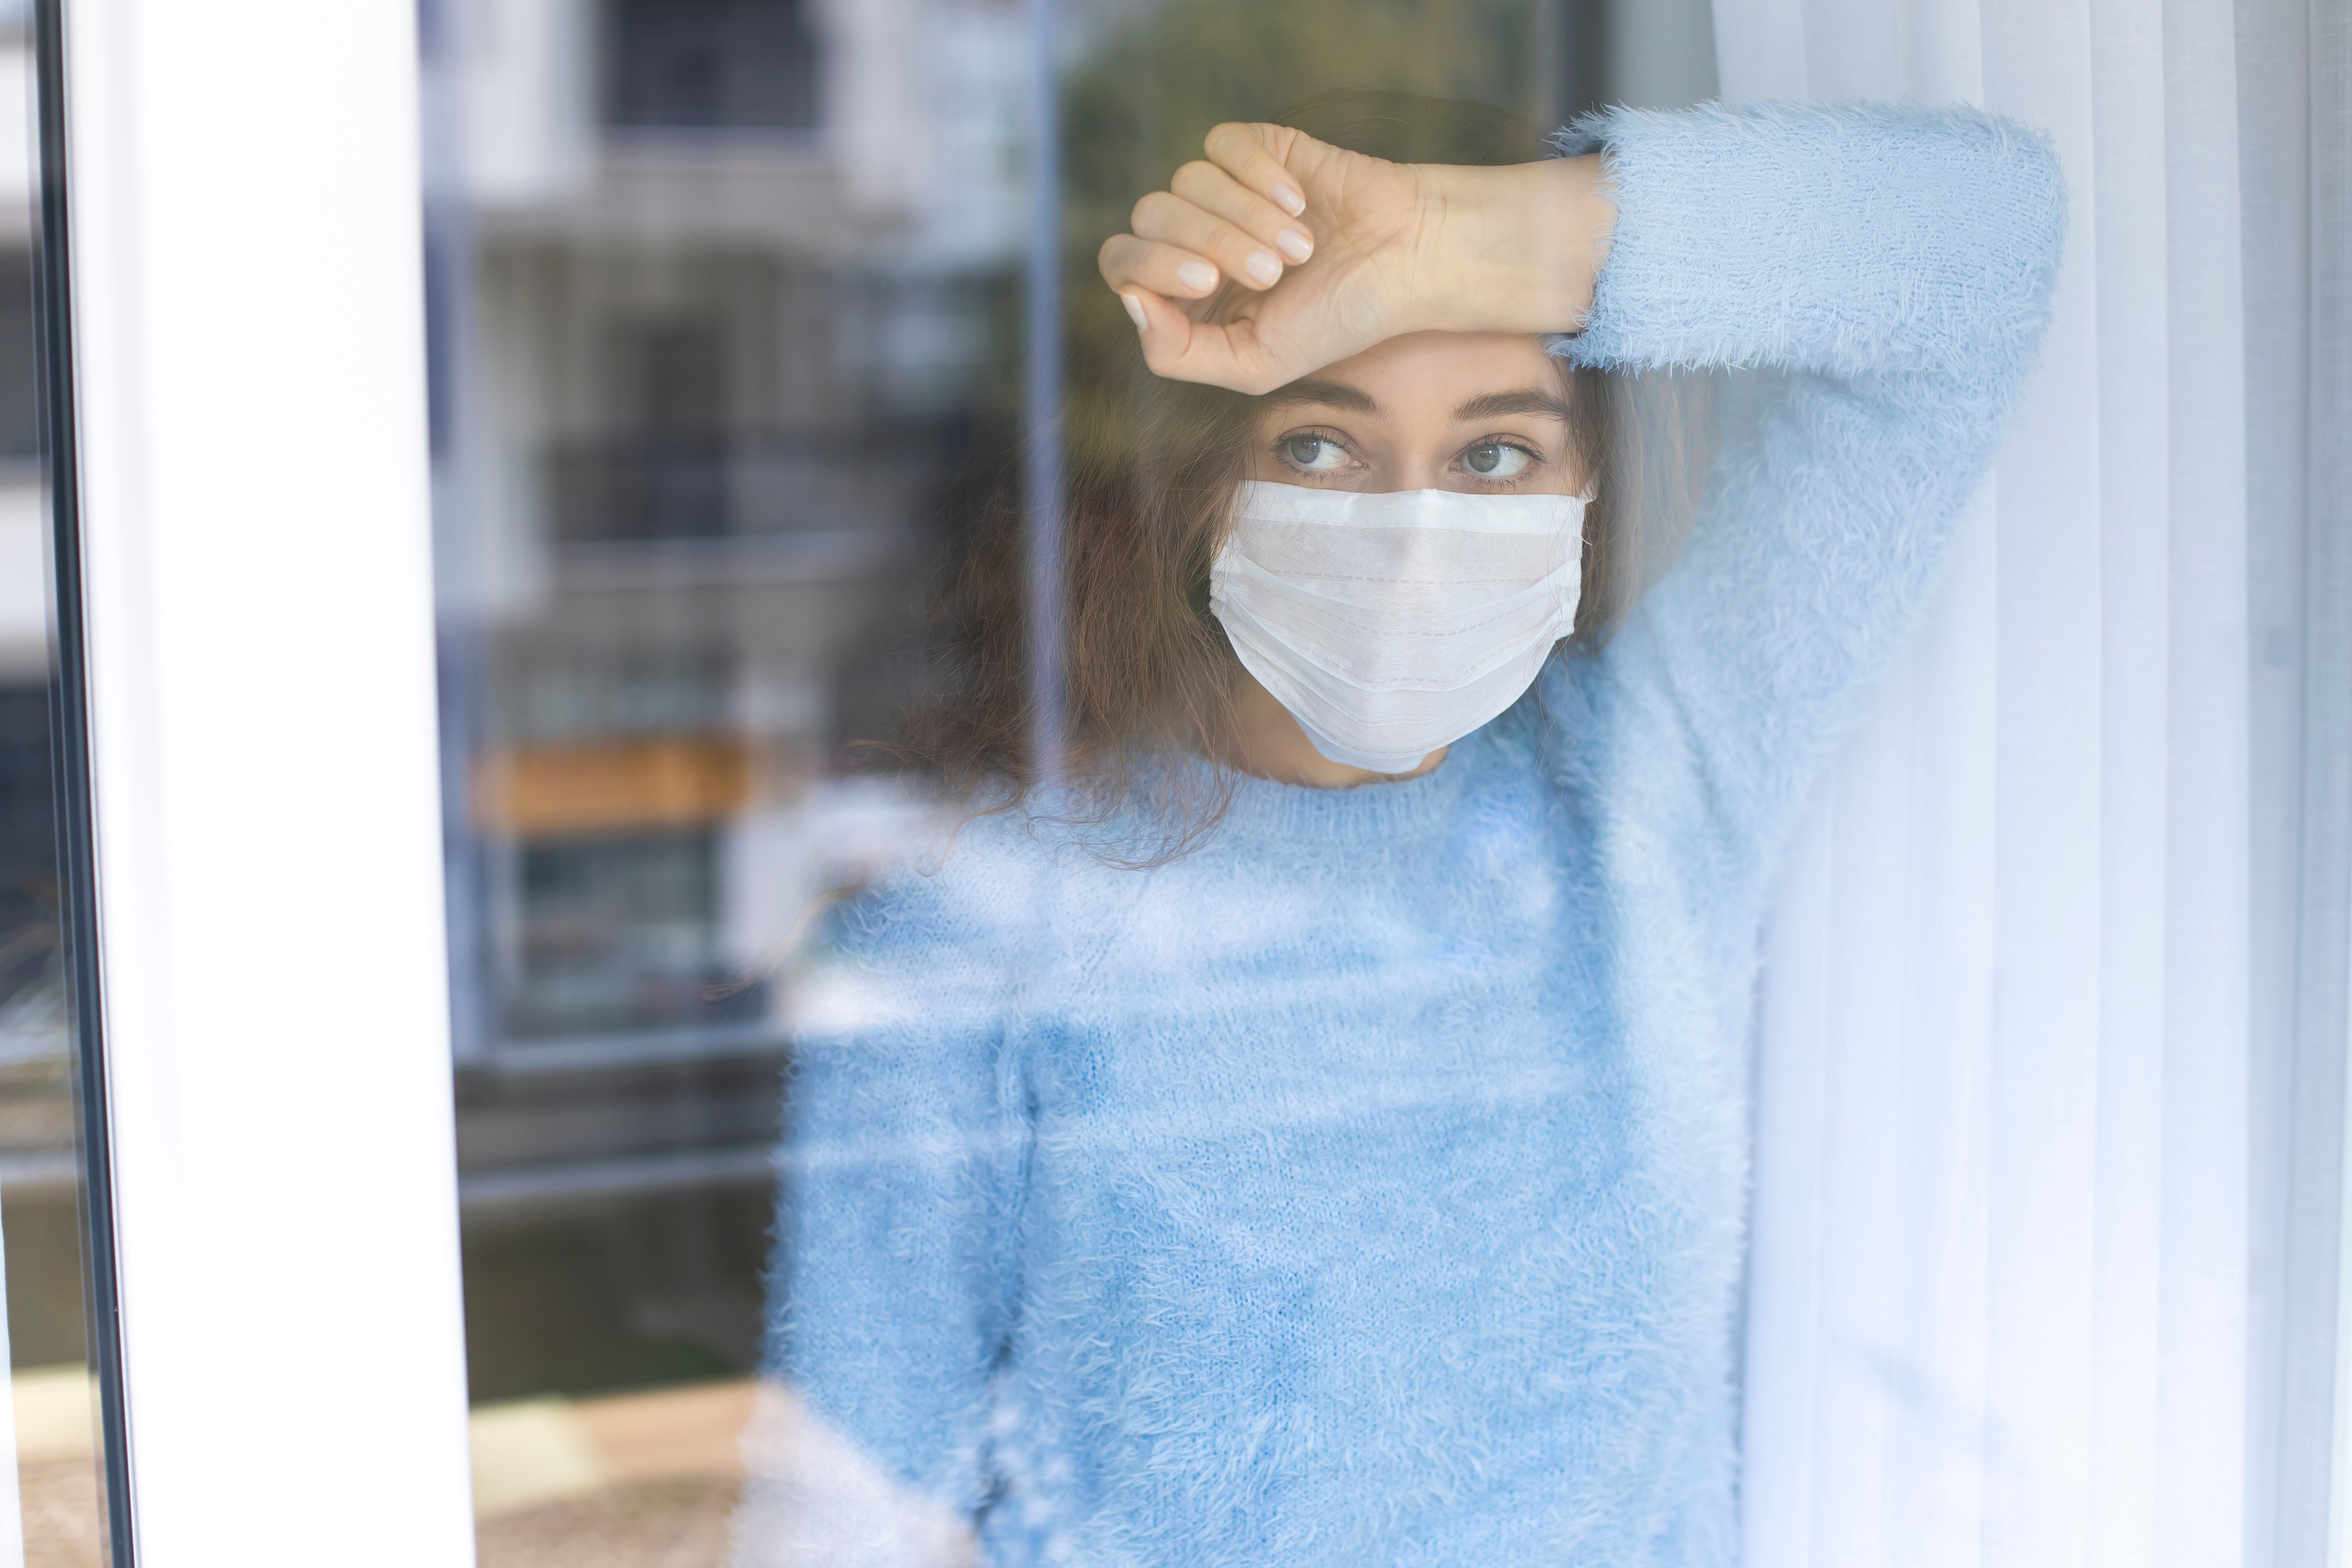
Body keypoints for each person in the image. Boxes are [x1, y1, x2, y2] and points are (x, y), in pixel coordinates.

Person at [743, 94, 2066, 1566]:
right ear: (1194, 485)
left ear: (1587, 490)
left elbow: (1977, 258)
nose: (1417, 537)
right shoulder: (972, 916)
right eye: (1321, 445)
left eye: (1496, 456)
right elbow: (841, 1510)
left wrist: (1458, 241)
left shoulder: (1643, 797)